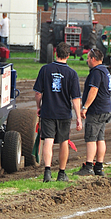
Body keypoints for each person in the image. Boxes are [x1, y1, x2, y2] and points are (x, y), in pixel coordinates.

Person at [34, 42, 82, 182]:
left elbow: (38, 93)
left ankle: (47, 172)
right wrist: (78, 117)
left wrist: (39, 106)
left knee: (48, 140)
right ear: (68, 55)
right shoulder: (72, 74)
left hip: (48, 111)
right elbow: (75, 98)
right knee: (64, 142)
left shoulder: (45, 69)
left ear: (55, 53)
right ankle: (61, 173)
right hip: (64, 113)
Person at [74, 48, 111, 177]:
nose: (87, 60)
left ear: (94, 59)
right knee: (100, 138)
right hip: (106, 109)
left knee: (91, 138)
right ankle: (99, 167)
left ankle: (89, 166)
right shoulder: (105, 71)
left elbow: (94, 90)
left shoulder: (96, 72)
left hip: (96, 110)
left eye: (88, 58)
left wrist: (85, 107)